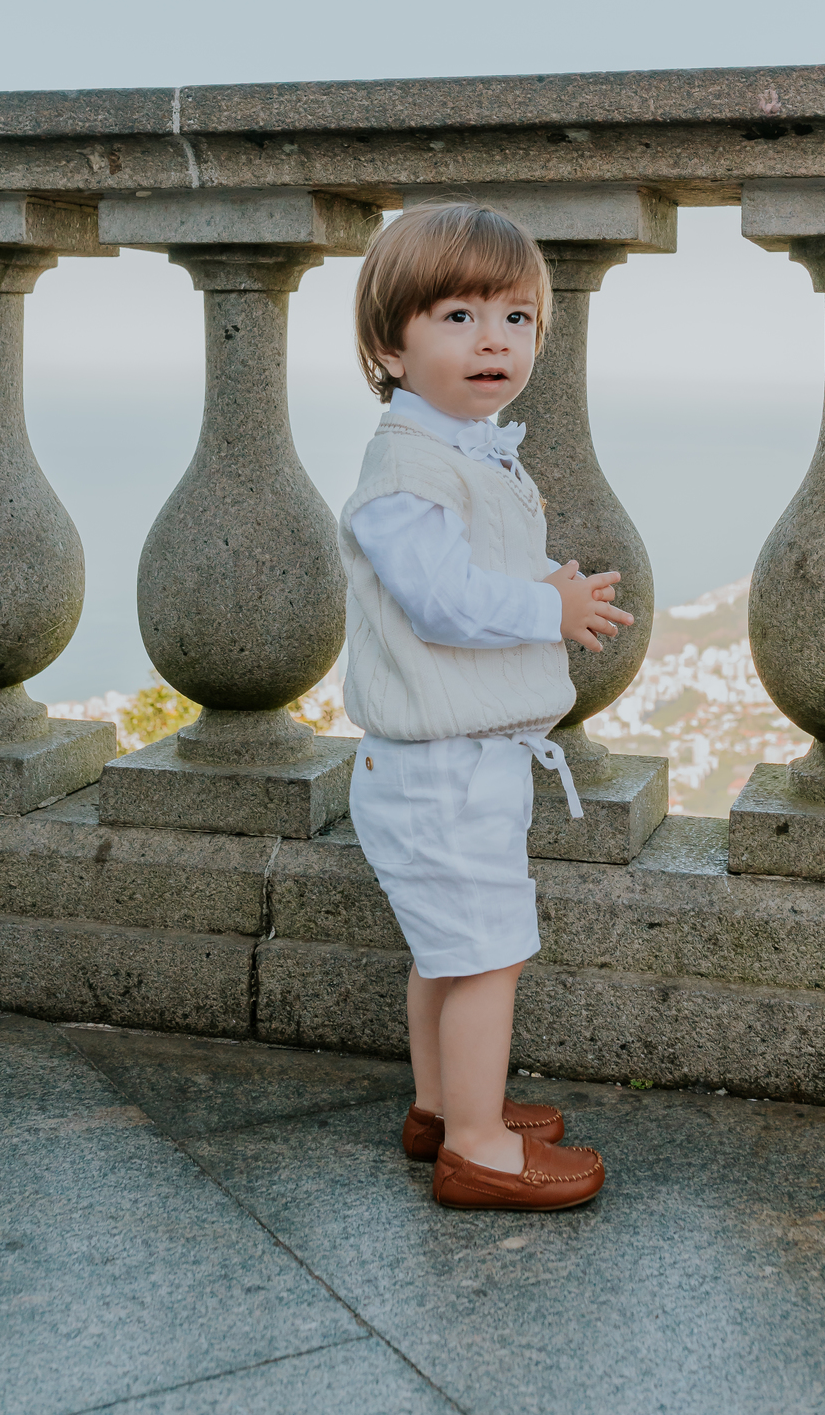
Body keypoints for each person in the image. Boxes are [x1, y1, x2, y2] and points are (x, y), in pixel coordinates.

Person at [339, 201, 635, 1211]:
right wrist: (549, 609)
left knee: (448, 952)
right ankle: (476, 1148)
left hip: (451, 764)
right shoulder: (408, 469)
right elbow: (441, 600)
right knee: (488, 958)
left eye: (516, 318)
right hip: (442, 771)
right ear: (391, 346)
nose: (494, 341)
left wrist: (540, 581)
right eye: (459, 316)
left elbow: (465, 573)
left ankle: (441, 1107)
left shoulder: (461, 448)